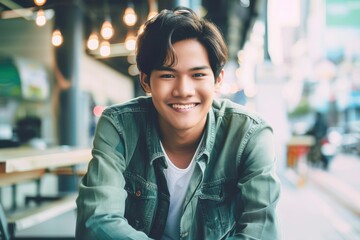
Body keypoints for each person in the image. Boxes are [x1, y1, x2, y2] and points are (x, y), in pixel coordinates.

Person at [76, 6, 281, 240]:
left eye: (198, 75)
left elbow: (262, 232)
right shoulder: (119, 126)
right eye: (168, 75)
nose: (183, 90)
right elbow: (96, 221)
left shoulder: (250, 135)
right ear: (145, 81)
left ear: (217, 80)